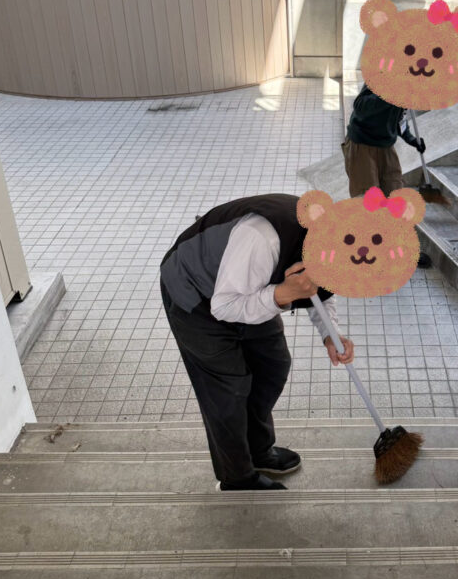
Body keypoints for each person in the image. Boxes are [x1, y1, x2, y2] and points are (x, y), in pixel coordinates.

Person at [160, 193, 354, 491]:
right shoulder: (262, 238)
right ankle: (237, 478)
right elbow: (225, 306)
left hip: (249, 287)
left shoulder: (335, 243)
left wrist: (331, 333)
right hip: (195, 292)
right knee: (228, 388)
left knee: (273, 365)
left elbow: (321, 289)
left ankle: (258, 450)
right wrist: (282, 294)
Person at [341, 83, 432, 268]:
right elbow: (361, 107)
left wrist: (412, 140)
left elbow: (399, 121)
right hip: (362, 145)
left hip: (385, 146)